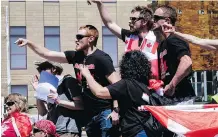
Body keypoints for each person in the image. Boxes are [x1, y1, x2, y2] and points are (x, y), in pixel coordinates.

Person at [15, 24, 121, 137]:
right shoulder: (75, 56)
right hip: (89, 113)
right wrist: (29, 43)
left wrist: (116, 110)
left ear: (91, 39)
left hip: (105, 111)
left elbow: (117, 85)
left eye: (79, 36)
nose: (76, 40)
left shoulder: (101, 58)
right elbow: (48, 54)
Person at [79, 50, 154, 137]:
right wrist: (116, 110)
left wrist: (87, 75)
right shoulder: (144, 86)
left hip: (135, 132)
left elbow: (99, 92)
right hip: (146, 130)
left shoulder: (126, 84)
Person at [88, 0, 159, 78]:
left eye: (133, 19)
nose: (129, 21)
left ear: (144, 22)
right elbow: (109, 24)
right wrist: (99, 3)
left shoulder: (156, 38)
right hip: (130, 82)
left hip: (150, 85)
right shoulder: (129, 36)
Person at [153, 5, 196, 102]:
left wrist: (172, 85)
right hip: (171, 98)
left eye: (156, 18)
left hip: (182, 97)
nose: (153, 21)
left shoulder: (174, 39)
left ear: (167, 21)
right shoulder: (162, 44)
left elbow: (187, 62)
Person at [31, 60, 84, 137]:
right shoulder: (48, 86)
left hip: (68, 132)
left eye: (43, 69)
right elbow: (42, 112)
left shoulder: (68, 81)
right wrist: (38, 91)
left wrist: (59, 101)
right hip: (52, 131)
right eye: (39, 70)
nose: (40, 72)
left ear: (54, 69)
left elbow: (80, 105)